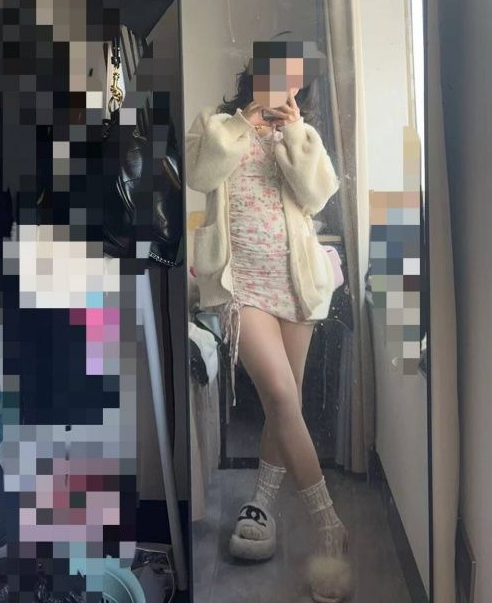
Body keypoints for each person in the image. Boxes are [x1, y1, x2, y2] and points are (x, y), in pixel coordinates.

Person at [185, 41, 353, 603]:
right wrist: (245, 123)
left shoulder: (301, 134)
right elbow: (200, 173)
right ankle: (329, 527)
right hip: (244, 289)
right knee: (281, 395)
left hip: (296, 284)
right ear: (257, 72)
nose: (287, 85)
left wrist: (296, 134)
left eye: (296, 80)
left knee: (288, 406)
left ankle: (262, 501)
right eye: (280, 73)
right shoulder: (216, 125)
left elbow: (318, 196)